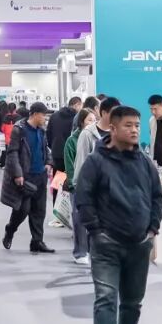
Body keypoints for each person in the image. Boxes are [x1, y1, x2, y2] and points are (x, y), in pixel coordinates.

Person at [76, 105, 162, 324]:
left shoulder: (145, 162)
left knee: (132, 302)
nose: (135, 130)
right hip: (107, 244)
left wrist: (152, 230)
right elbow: (84, 198)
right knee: (105, 297)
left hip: (139, 244)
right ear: (112, 128)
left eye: (137, 125)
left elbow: (157, 197)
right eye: (128, 125)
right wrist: (96, 231)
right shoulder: (96, 161)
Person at [1, 102, 54, 253]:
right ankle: (10, 229)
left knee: (39, 211)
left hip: (40, 175)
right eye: (43, 115)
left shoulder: (42, 130)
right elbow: (12, 153)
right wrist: (18, 174)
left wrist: (49, 162)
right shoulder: (20, 130)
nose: (45, 118)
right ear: (35, 114)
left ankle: (37, 242)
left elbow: (45, 148)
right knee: (22, 210)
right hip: (26, 176)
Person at [65, 107, 98, 265]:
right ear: (81, 122)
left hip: (93, 186)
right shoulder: (72, 141)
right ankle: (79, 252)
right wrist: (74, 184)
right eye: (89, 120)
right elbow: (70, 165)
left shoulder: (95, 138)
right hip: (77, 186)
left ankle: (92, 250)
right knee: (79, 220)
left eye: (94, 120)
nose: (92, 123)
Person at [47, 96, 82, 203]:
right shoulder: (77, 117)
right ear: (76, 104)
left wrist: (54, 147)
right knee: (73, 185)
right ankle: (71, 209)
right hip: (72, 157)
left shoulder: (54, 116)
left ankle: (57, 211)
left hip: (58, 156)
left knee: (58, 186)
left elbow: (48, 134)